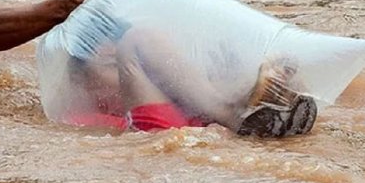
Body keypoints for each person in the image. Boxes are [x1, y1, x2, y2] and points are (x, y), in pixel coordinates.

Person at [64, 25, 318, 138]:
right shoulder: (83, 121)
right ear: (86, 84)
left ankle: (266, 105)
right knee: (137, 39)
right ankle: (231, 112)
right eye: (113, 65)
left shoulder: (185, 93)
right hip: (157, 131)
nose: (123, 74)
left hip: (203, 129)